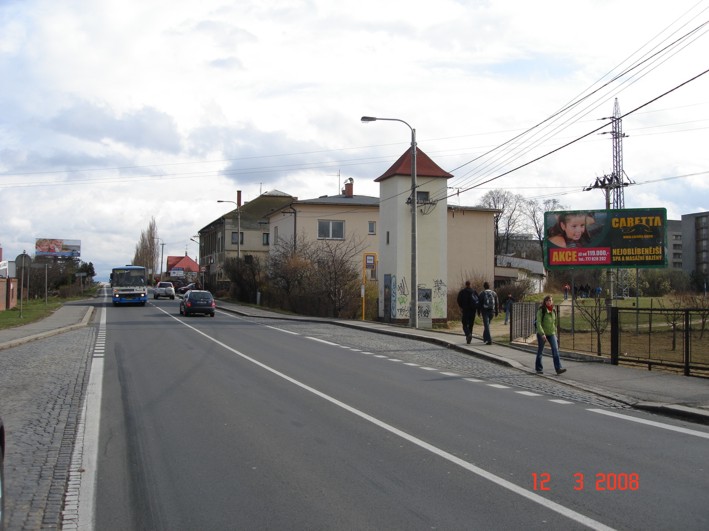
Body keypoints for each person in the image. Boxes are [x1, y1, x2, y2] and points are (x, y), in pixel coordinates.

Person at [535, 295, 566, 375]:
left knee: (555, 350)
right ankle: (539, 368)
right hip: (542, 333)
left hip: (551, 333)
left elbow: (555, 322)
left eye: (550, 300)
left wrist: (554, 332)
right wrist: (542, 334)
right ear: (545, 302)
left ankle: (558, 368)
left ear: (552, 301)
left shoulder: (553, 310)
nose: (549, 302)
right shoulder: (541, 310)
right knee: (540, 350)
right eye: (547, 300)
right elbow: (538, 322)